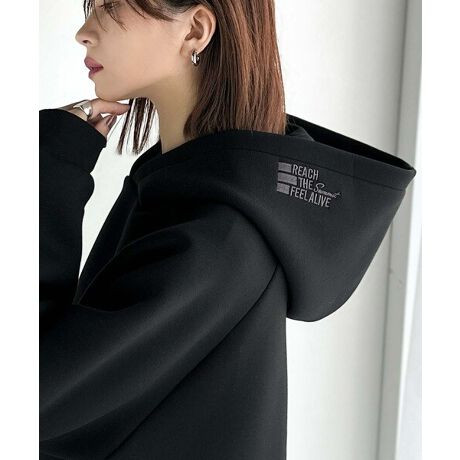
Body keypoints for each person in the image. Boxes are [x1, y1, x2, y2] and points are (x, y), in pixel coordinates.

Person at [39, 1, 417, 459]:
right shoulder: (185, 193)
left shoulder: (213, 234)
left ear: (195, 30)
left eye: (112, 5)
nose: (84, 31)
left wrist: (49, 169)